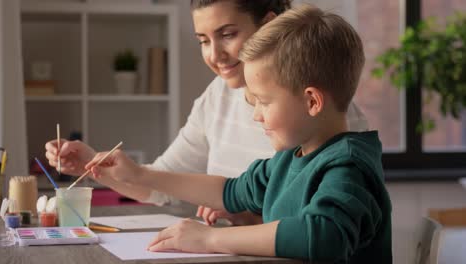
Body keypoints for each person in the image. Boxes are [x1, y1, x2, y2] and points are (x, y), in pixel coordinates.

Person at [85, 4, 392, 262]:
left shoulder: (348, 166)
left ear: (312, 101)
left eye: (264, 101)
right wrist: (138, 174)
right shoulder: (290, 157)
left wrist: (209, 240)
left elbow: (323, 235)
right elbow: (228, 191)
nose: (255, 113)